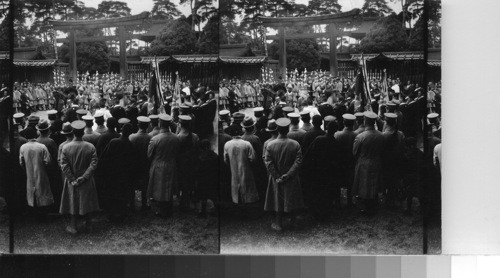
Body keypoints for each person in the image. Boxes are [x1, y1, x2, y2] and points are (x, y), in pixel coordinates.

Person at [264, 118, 304, 232]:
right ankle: (293, 221)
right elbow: (298, 161)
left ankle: (278, 223)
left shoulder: (270, 145)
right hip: (291, 176)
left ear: (277, 129)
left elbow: (268, 162)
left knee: (278, 198)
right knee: (292, 197)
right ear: (288, 129)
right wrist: (289, 174)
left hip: (276, 176)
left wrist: (277, 176)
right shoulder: (295, 144)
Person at [59, 120, 100, 234]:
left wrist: (72, 179)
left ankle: (73, 226)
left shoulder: (66, 147)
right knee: (87, 200)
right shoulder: (90, 147)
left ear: (73, 132)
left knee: (73, 201)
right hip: (86, 179)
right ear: (83, 132)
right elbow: (94, 164)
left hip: (72, 179)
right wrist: (85, 177)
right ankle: (89, 225)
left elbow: (64, 165)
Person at [98, 123, 138, 222]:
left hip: (112, 173)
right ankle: (122, 214)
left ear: (121, 130)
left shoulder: (114, 142)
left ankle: (111, 214)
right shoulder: (131, 145)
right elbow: (132, 162)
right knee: (122, 194)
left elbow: (104, 157)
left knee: (112, 194)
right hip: (124, 174)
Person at [302, 121, 342, 220]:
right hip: (329, 171)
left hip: (317, 170)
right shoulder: (336, 142)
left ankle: (316, 212)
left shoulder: (319, 139)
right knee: (326, 192)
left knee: (317, 191)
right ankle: (326, 211)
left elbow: (309, 154)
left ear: (327, 128)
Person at [147, 114, 181, 218]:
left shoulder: (155, 139)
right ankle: (168, 208)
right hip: (171, 163)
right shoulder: (176, 138)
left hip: (158, 164)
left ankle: (161, 210)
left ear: (160, 124)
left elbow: (149, 154)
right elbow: (177, 153)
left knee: (159, 188)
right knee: (168, 187)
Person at [352, 111, 385, 216]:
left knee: (364, 185)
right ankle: (373, 205)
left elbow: (354, 151)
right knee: (374, 184)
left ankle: (366, 208)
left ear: (365, 121)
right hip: (377, 161)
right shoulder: (381, 135)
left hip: (364, 162)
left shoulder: (361, 136)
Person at [224, 123, 259, 218]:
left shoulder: (227, 144)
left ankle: (238, 210)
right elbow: (253, 159)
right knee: (248, 188)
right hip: (246, 169)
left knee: (236, 189)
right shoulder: (247, 144)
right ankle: (248, 210)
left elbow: (225, 160)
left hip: (233, 169)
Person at [19, 128, 54, 220]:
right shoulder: (42, 147)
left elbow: (21, 162)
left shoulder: (23, 147)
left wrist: (26, 170)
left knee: (31, 192)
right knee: (42, 191)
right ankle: (43, 213)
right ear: (36, 134)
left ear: (26, 136)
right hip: (41, 172)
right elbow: (48, 161)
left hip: (29, 172)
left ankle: (34, 212)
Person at [381, 113, 405, 208]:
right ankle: (393, 196)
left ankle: (387, 197)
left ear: (386, 123)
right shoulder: (401, 134)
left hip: (386, 161)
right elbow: (402, 148)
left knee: (387, 179)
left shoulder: (383, 135)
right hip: (397, 160)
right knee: (394, 180)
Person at [129, 116, 152, 210]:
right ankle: (144, 203)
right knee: (145, 184)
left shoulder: (132, 137)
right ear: (147, 126)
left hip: (134, 164)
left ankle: (132, 204)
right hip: (145, 163)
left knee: (132, 184)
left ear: (138, 125)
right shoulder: (150, 137)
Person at [193, 139, 219, 218]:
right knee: (214, 196)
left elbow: (197, 169)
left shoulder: (200, 157)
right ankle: (216, 211)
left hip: (203, 179)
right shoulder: (215, 155)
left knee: (203, 196)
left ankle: (203, 212)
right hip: (213, 178)